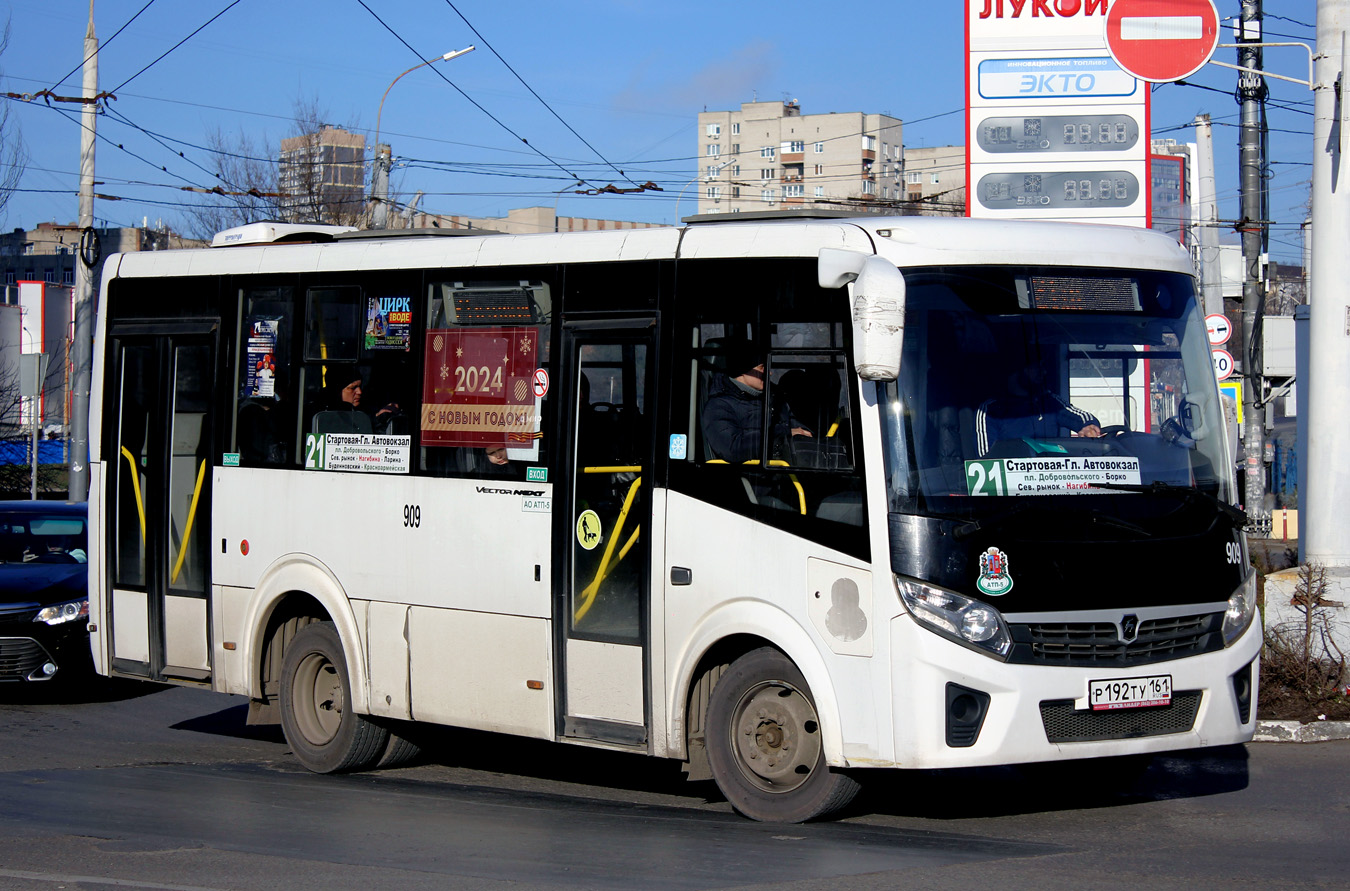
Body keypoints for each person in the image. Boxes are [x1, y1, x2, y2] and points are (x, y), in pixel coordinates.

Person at [702, 343, 811, 464]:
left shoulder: (774, 397)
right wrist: (781, 433)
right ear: (743, 370)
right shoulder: (719, 406)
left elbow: (799, 428)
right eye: (762, 367)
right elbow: (732, 449)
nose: (769, 373)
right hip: (753, 478)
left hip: (788, 468)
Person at [975, 365, 1101, 456]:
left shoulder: (1050, 402)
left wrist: (1088, 426)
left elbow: (1080, 416)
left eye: (1043, 366)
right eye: (1036, 367)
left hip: (1054, 480)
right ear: (1016, 371)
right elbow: (985, 460)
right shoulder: (990, 410)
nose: (1043, 372)